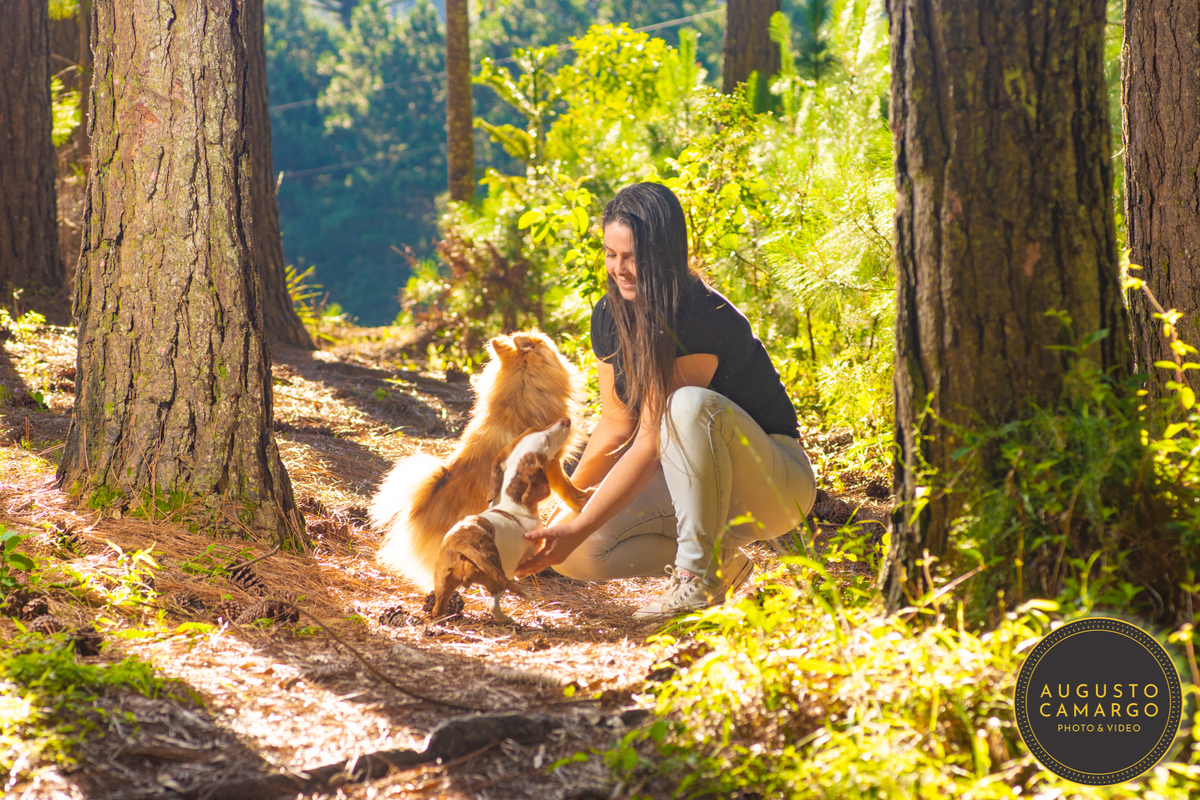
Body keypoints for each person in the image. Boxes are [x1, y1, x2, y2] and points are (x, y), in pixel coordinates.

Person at [515, 182, 817, 617]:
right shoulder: (610, 313)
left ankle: (695, 578)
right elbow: (616, 425)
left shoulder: (699, 314)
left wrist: (580, 522)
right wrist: (568, 509)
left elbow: (653, 437)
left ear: (663, 254)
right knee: (572, 551)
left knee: (687, 406)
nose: (620, 270)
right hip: (688, 483)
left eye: (633, 257)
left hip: (772, 484)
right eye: (610, 254)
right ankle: (721, 567)